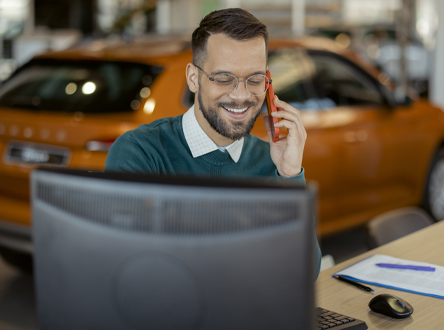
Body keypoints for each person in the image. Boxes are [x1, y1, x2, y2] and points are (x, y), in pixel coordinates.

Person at [105, 8, 321, 276]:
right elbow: (132, 274)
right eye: (223, 78)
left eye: (254, 80)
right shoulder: (140, 152)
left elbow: (303, 274)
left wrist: (289, 176)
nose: (241, 95)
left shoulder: (272, 163)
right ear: (193, 79)